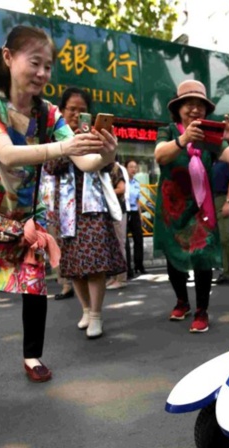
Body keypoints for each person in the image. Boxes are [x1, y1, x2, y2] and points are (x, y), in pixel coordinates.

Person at [0, 26, 116, 382]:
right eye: (35, 62)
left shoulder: (49, 114)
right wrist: (64, 149)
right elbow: (5, 153)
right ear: (8, 57)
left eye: (48, 66)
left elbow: (84, 163)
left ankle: (32, 357)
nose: (42, 73)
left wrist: (105, 154)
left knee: (35, 284)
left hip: (25, 217)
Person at [153, 79, 229, 333]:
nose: (195, 110)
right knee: (174, 258)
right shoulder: (169, 131)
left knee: (203, 257)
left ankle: (202, 310)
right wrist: (183, 140)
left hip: (201, 208)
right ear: (178, 108)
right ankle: (181, 300)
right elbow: (160, 155)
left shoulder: (210, 135)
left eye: (200, 105)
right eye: (189, 104)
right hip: (172, 207)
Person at [46, 87, 127, 339]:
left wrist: (102, 145)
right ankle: (84, 309)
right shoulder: (55, 137)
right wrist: (69, 145)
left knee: (95, 264)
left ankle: (96, 315)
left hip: (93, 208)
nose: (76, 114)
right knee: (74, 266)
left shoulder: (96, 136)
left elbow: (111, 168)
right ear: (62, 111)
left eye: (82, 110)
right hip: (66, 211)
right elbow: (51, 166)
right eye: (71, 109)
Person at [106, 162, 129, 290]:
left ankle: (121, 279)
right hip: (108, 212)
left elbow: (121, 188)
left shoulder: (115, 168)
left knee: (119, 244)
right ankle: (114, 277)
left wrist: (106, 192)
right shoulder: (102, 167)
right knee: (112, 246)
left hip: (118, 211)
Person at [125, 159, 147, 276]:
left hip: (134, 212)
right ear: (126, 168)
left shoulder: (136, 183)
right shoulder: (123, 182)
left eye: (135, 167)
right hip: (125, 212)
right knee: (126, 242)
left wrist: (140, 216)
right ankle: (128, 268)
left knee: (139, 239)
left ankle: (139, 265)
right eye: (131, 167)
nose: (133, 169)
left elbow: (137, 201)